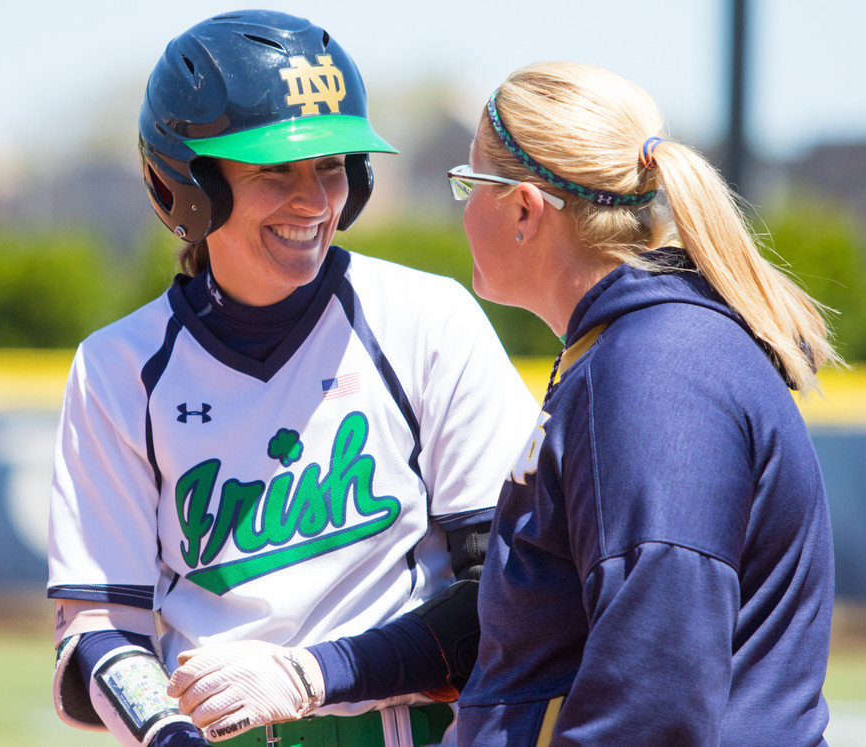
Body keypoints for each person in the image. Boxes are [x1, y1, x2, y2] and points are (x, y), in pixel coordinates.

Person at [46, 10, 538, 747]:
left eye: (331, 165)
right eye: (275, 169)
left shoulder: (426, 320)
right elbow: (99, 627)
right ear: (189, 183)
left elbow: (507, 591)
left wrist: (313, 674)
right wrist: (167, 734)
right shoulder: (119, 368)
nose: (312, 201)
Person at [445, 61, 839, 746]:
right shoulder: (633, 348)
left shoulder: (655, 370)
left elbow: (653, 699)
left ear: (523, 209)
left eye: (469, 183)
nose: (463, 207)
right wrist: (327, 671)